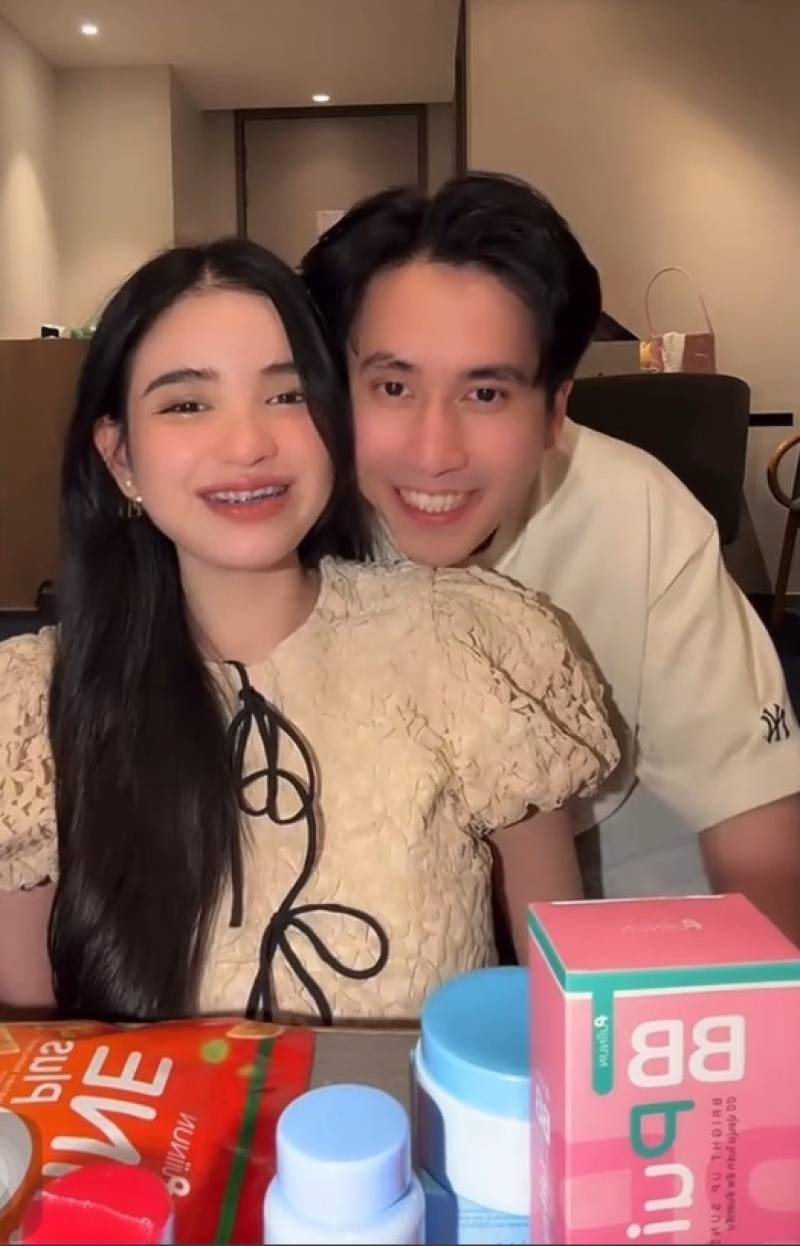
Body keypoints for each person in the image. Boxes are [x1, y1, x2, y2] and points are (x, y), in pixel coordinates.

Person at [0, 238, 619, 1024]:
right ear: (120, 457)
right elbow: (32, 1066)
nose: (247, 444)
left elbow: (568, 1017)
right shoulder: (32, 707)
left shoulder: (467, 643)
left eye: (288, 395)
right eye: (187, 404)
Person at [301, 172, 800, 944]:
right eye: (394, 387)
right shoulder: (294, 524)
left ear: (553, 412)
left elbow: (760, 839)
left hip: (622, 910)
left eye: (486, 394)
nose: (435, 453)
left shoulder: (637, 518)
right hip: (375, 930)